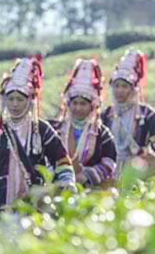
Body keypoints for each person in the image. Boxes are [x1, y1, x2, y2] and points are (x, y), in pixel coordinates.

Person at [0, 54, 75, 214]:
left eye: (20, 99)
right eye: (11, 99)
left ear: (29, 101)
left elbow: (62, 162)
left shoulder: (42, 130)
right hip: (2, 209)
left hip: (35, 210)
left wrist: (64, 186)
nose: (15, 104)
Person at [49, 58, 117, 188]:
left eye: (83, 104)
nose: (78, 108)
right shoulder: (55, 129)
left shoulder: (102, 134)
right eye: (74, 103)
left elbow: (109, 162)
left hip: (90, 190)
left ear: (92, 106)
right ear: (68, 104)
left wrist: (87, 175)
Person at [101, 49, 155, 171]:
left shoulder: (146, 114)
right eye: (116, 86)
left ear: (133, 89)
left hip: (138, 168)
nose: (120, 90)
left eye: (124, 86)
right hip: (111, 170)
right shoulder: (106, 114)